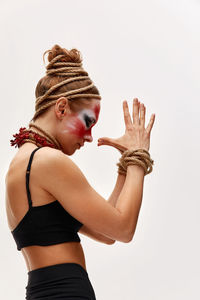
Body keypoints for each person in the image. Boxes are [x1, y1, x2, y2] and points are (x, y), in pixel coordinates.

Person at [5, 44, 155, 299]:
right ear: (61, 108)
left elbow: (106, 233)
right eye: (87, 122)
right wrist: (139, 156)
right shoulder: (48, 161)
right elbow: (124, 229)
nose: (89, 136)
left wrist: (124, 163)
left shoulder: (23, 163)